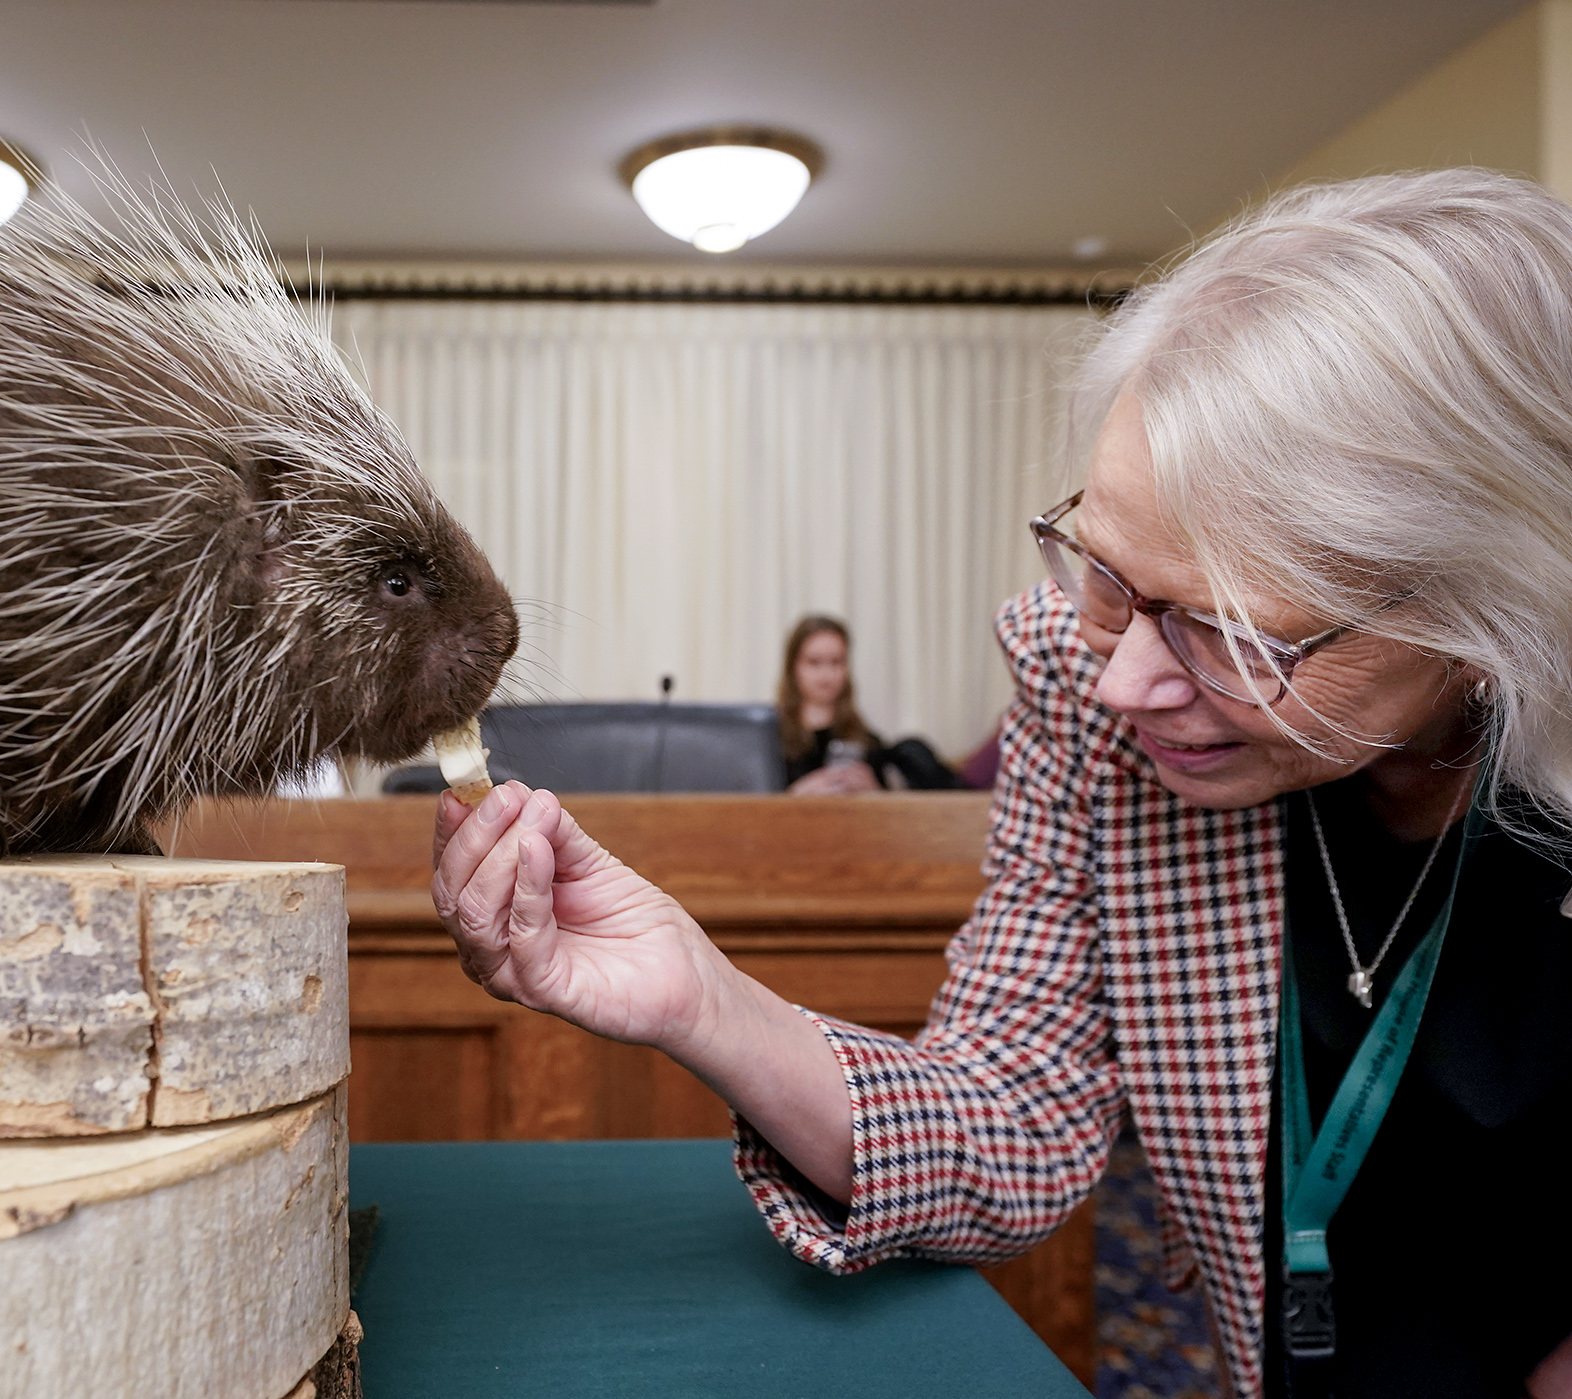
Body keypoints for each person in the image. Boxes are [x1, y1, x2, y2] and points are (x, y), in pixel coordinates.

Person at [429, 169, 1572, 1399]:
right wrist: (702, 999)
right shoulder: (1091, 687)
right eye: (1105, 573)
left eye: (1230, 633)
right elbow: (1013, 1113)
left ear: (1487, 609)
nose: (1127, 680)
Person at [776, 615, 884, 793]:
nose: (826, 675)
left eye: (836, 662)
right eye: (814, 662)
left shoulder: (867, 742)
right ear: (793, 668)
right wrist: (795, 796)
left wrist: (872, 791)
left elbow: (890, 814)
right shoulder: (770, 741)